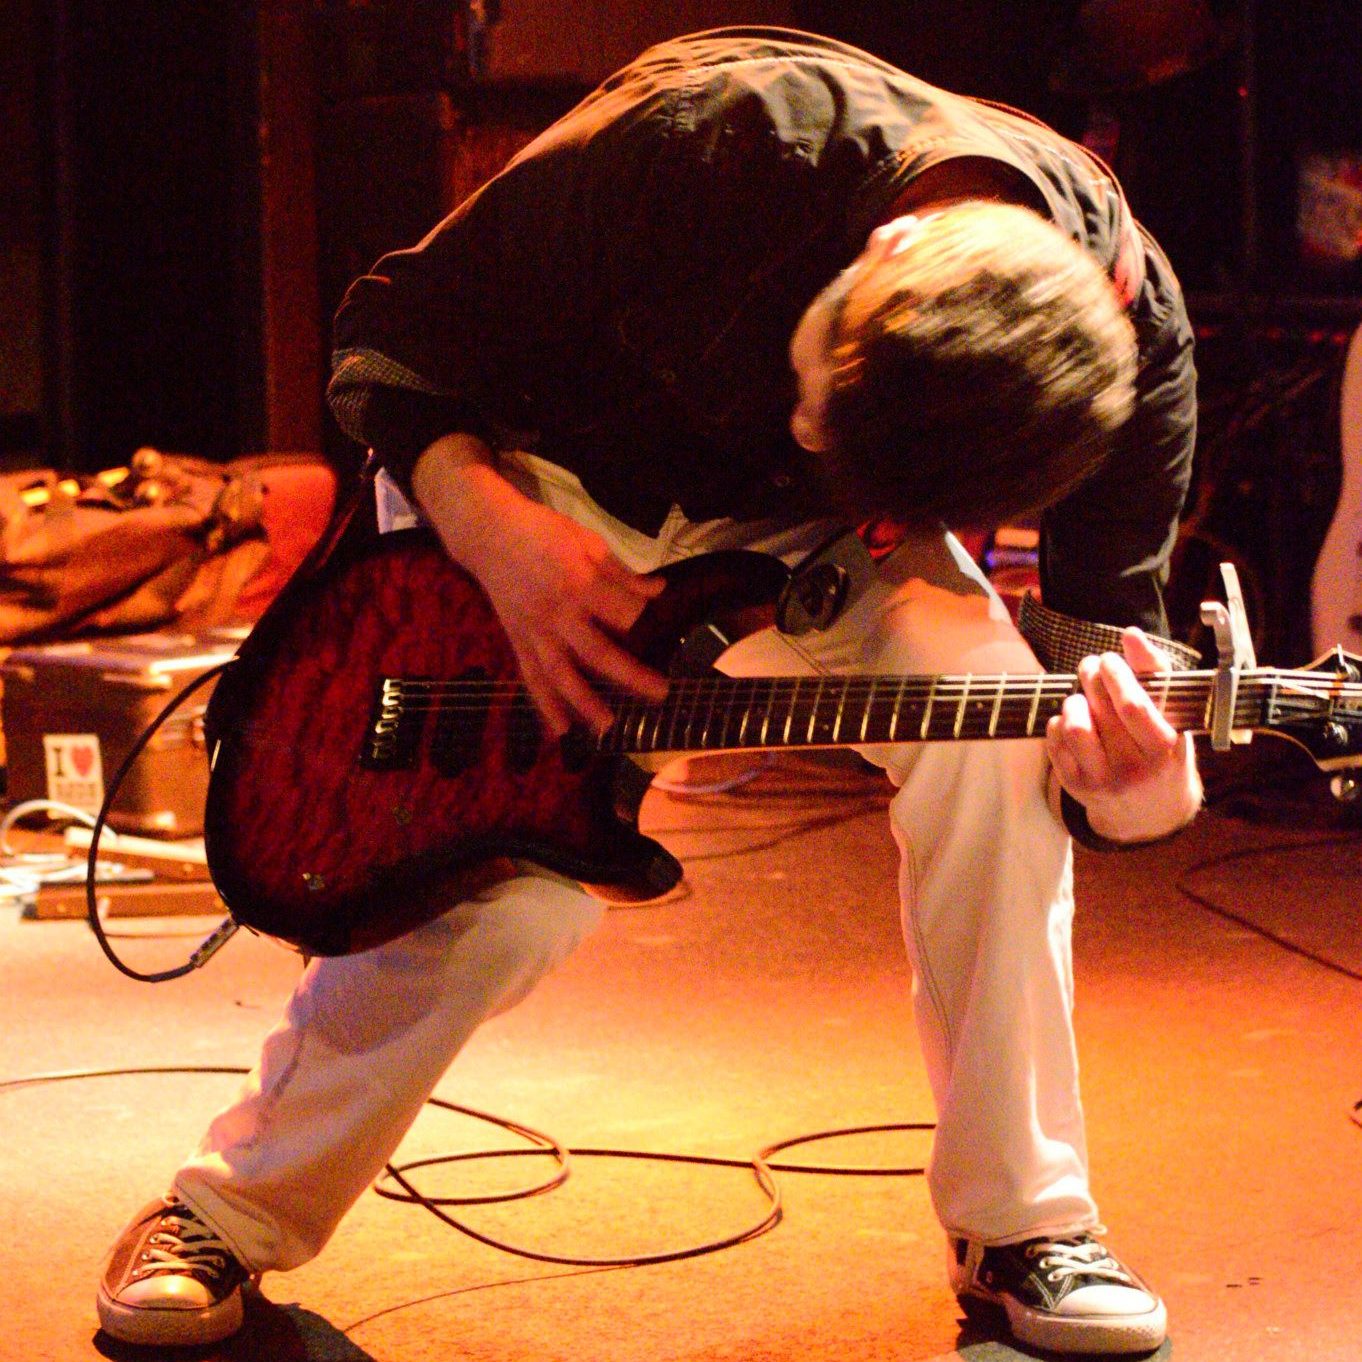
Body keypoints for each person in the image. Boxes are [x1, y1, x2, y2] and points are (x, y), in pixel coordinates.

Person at [97, 26, 1201, 1357]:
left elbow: (1105, 684)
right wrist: (496, 535)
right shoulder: (710, 130)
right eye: (817, 401)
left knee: (996, 723)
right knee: (512, 909)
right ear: (887, 257)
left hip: (824, 549)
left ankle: (1023, 1218)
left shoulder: (1134, 362)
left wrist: (1144, 788)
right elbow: (390, 332)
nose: (803, 433)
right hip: (533, 487)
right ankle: (231, 1211)